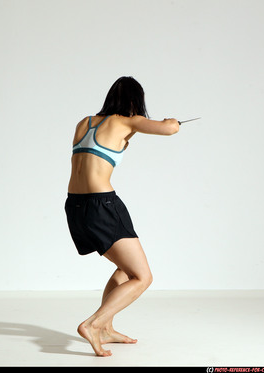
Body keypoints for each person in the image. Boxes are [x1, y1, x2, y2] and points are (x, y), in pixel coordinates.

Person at [64, 76, 180, 356]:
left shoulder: (85, 122)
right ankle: (93, 324)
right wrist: (172, 122)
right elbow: (169, 130)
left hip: (74, 205)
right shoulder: (127, 121)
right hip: (102, 205)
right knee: (142, 277)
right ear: (134, 101)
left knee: (125, 269)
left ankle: (106, 327)